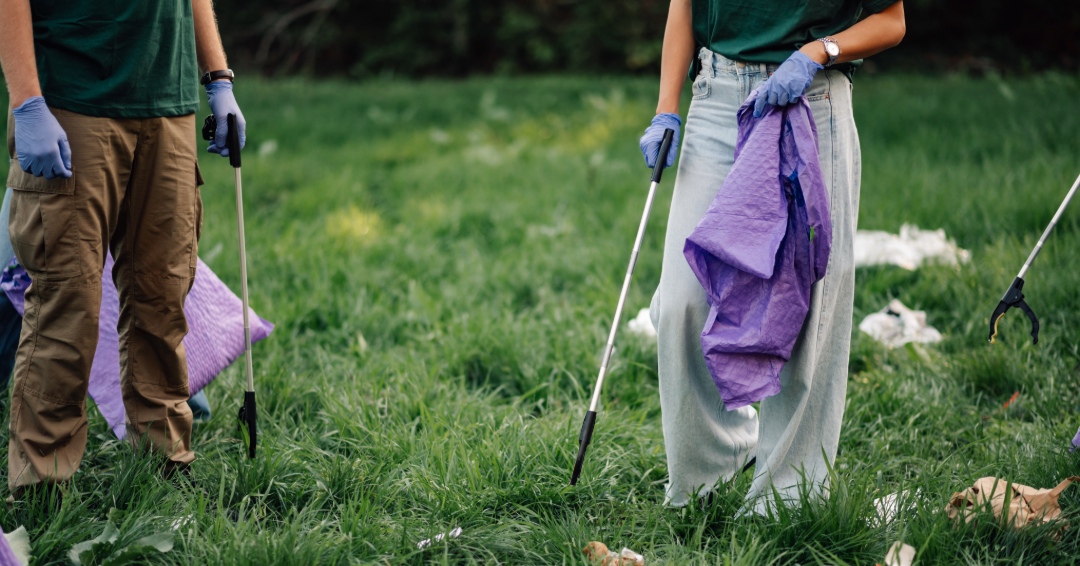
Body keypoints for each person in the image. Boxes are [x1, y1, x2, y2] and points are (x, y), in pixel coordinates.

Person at [640, 0, 905, 513]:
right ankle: (705, 478)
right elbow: (684, 6)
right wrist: (666, 106)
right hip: (715, 95)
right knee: (682, 304)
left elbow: (891, 21)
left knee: (809, 312)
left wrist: (818, 52)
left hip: (813, 96)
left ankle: (787, 500)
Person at [0, 0, 245, 497]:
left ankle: (164, 468)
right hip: (72, 101)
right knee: (65, 307)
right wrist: (27, 102)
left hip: (168, 107)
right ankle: (42, 487)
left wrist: (218, 78)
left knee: (163, 298)